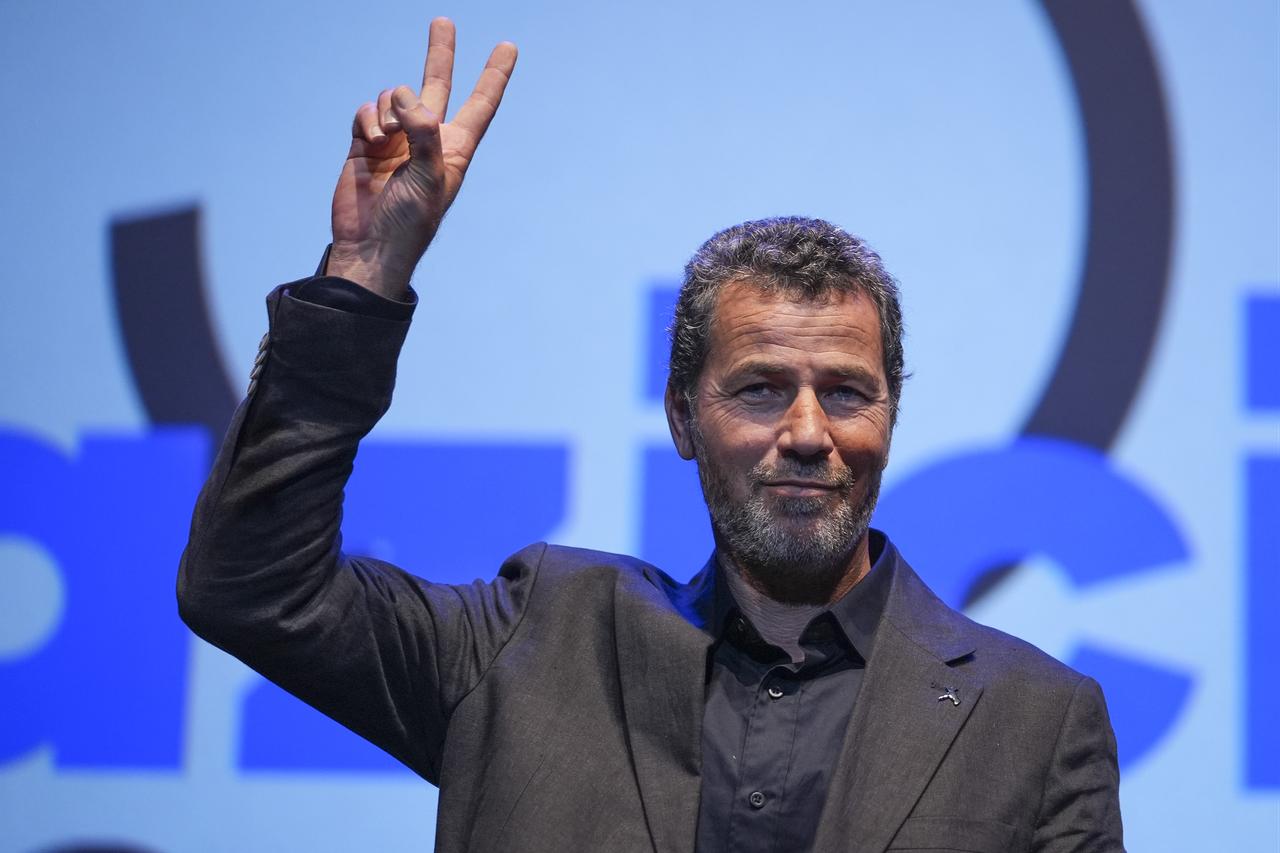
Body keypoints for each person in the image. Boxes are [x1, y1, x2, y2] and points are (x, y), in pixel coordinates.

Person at [177, 18, 1124, 853]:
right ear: (681, 415)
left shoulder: (1034, 721)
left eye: (845, 392)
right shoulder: (533, 642)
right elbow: (253, 591)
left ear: (889, 417)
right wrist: (363, 272)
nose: (807, 432)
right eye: (759, 389)